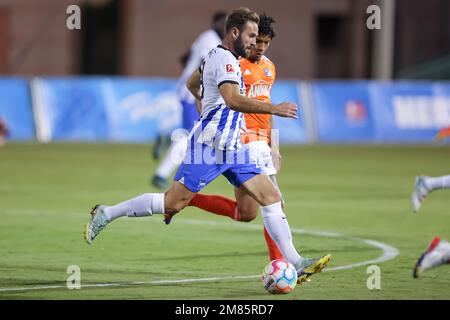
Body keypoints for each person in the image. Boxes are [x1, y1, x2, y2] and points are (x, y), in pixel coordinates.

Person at [84, 7, 331, 285]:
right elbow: (233, 99)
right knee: (172, 203)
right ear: (234, 32)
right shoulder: (225, 61)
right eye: (250, 36)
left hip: (235, 146)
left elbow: (192, 83)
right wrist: (274, 108)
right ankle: (108, 212)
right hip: (208, 147)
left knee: (270, 198)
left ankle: (295, 262)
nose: (253, 42)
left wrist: (204, 107)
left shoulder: (218, 55)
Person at [165, 14, 285, 262]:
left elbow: (265, 104)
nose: (260, 47)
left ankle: (189, 199)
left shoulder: (269, 67)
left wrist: (275, 145)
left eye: (265, 43)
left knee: (247, 213)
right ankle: (282, 265)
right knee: (275, 203)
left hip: (262, 141)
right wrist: (205, 110)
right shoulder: (233, 62)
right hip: (242, 140)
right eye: (256, 41)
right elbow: (201, 84)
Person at [151, 11, 227, 190]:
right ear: (215, 24)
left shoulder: (207, 39)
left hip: (195, 93)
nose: (226, 28)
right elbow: (206, 63)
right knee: (190, 135)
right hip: (193, 94)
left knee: (192, 134)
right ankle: (160, 174)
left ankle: (168, 137)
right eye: (224, 24)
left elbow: (184, 57)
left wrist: (189, 69)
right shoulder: (210, 40)